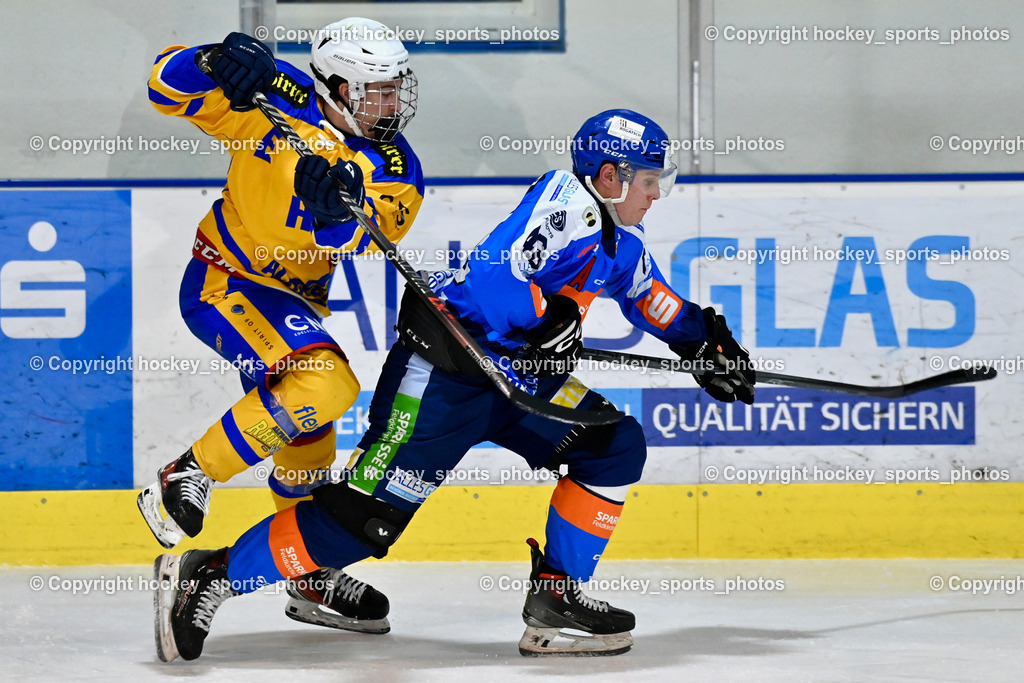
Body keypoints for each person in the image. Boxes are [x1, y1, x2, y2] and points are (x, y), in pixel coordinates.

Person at [151, 110, 755, 662]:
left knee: (612, 444)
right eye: (649, 180)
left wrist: (707, 343)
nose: (656, 194)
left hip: (517, 386)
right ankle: (209, 576)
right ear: (608, 176)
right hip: (444, 379)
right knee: (365, 521)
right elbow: (496, 275)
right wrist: (543, 317)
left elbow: (653, 302)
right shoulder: (564, 201)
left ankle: (556, 598)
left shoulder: (619, 243)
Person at [138, 17, 423, 635]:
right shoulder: (269, 93)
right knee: (327, 384)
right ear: (337, 87)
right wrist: (210, 61)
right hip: (226, 282)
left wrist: (331, 210)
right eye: (377, 89)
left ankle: (307, 576)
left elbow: (362, 236)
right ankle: (186, 475)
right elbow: (165, 85)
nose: (391, 103)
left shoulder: (396, 164)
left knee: (309, 433)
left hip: (288, 301)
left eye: (395, 87)